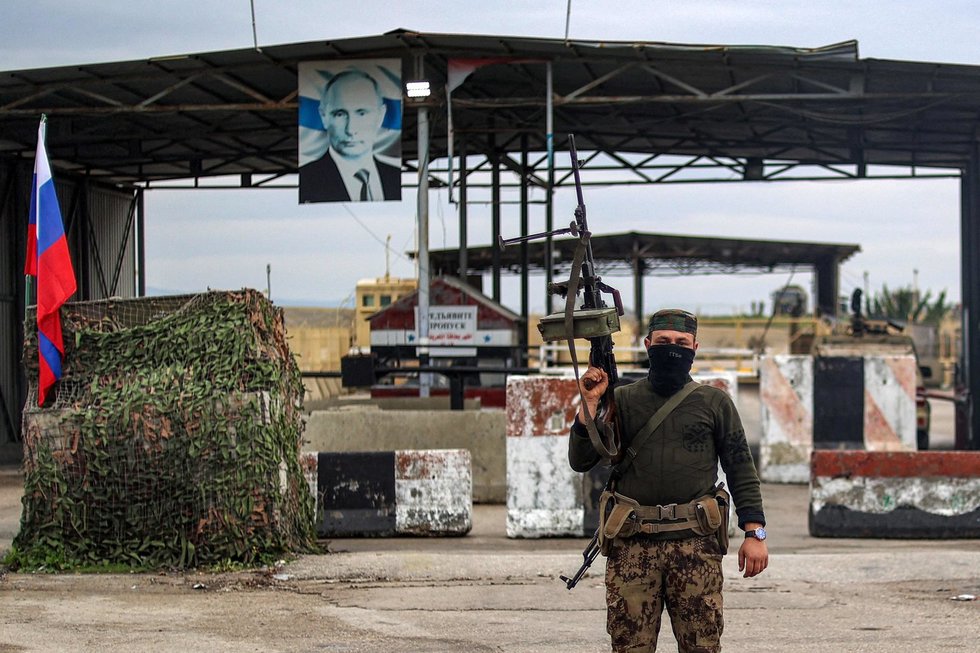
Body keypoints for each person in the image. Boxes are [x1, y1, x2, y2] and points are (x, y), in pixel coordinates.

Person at [569, 308, 768, 653]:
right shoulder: (622, 400)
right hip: (632, 547)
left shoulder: (714, 403)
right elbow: (581, 460)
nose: (672, 347)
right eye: (663, 341)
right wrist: (589, 403)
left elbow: (741, 469)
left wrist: (755, 533)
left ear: (695, 348)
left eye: (681, 342)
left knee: (702, 646)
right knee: (629, 646)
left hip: (695, 547)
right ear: (648, 344)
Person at [299, 69, 401, 203]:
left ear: (381, 116)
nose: (351, 129)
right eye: (340, 114)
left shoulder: (394, 177)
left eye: (362, 113)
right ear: (323, 116)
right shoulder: (307, 180)